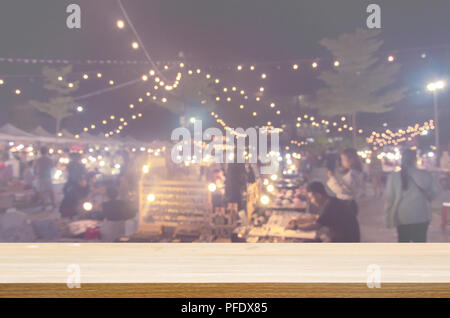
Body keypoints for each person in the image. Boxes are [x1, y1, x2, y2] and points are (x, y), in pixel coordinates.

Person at [384, 149, 440, 242]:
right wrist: (429, 198)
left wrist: (389, 218)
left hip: (402, 216)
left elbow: (389, 199)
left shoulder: (394, 176)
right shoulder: (424, 174)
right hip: (421, 215)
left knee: (404, 244)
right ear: (415, 160)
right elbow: (436, 190)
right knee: (420, 244)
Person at [286, 181, 360, 242]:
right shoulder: (331, 201)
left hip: (346, 240)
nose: (311, 201)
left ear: (318, 195)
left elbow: (315, 226)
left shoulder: (330, 206)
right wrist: (298, 220)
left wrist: (296, 227)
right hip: (342, 235)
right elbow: (317, 218)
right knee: (315, 239)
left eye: (311, 197)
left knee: (304, 242)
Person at [327, 148, 365, 214]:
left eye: (343, 160)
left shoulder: (353, 174)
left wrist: (332, 178)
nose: (342, 162)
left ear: (352, 160)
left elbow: (343, 190)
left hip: (346, 204)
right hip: (348, 203)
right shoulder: (355, 172)